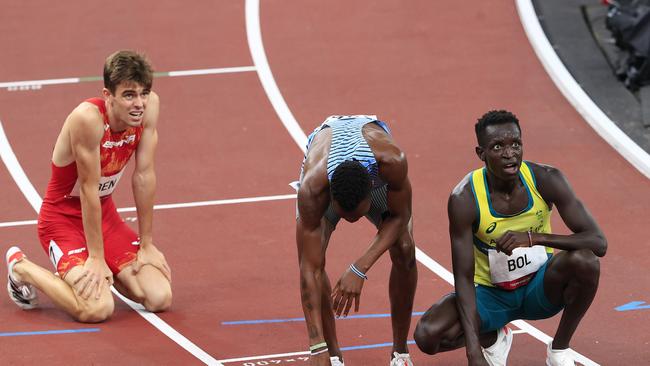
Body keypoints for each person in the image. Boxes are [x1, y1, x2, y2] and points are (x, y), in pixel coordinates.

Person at [413, 110, 606, 366]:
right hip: (491, 295)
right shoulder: (465, 199)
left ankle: (559, 350)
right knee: (427, 335)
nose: (509, 153)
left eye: (515, 144)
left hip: (540, 287)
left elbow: (598, 242)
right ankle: (492, 339)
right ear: (481, 154)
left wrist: (533, 238)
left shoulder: (546, 179)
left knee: (586, 262)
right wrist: (474, 353)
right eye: (497, 147)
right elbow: (463, 277)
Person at [5, 50, 172, 322]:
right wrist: (96, 257)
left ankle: (104, 272)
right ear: (108, 96)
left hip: (104, 216)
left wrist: (147, 243)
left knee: (159, 297)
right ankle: (21, 269)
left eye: (144, 93)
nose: (139, 103)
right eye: (129, 95)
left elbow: (144, 175)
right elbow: (88, 190)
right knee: (97, 309)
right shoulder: (88, 119)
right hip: (61, 221)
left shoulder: (150, 107)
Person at [295, 115, 418, 366]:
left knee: (405, 249)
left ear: (370, 193)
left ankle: (400, 351)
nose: (351, 221)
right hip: (326, 164)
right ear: (332, 199)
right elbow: (309, 267)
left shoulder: (393, 162)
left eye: (357, 214)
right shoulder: (313, 188)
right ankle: (331, 353)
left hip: (373, 169)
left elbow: (400, 216)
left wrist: (359, 268)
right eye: (343, 214)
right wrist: (315, 345)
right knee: (314, 256)